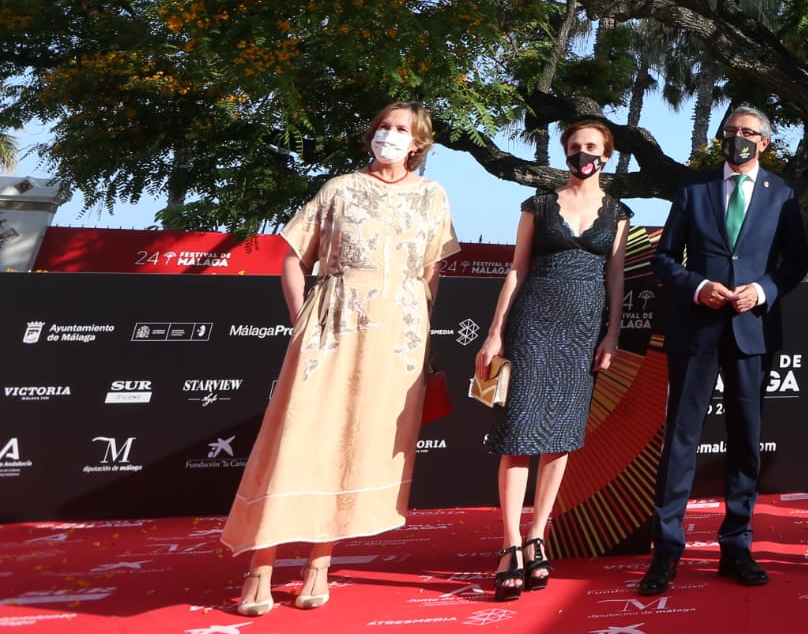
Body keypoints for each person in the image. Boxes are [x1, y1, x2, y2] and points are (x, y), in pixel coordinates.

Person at [221, 103, 460, 616]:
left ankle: (319, 564)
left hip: (397, 338)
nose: (389, 136)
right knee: (298, 438)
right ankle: (259, 566)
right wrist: (299, 320)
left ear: (418, 143)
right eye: (383, 127)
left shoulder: (432, 196)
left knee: (357, 444)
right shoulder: (339, 188)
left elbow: (430, 272)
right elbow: (292, 255)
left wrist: (419, 333)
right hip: (331, 325)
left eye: (401, 130)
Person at [640, 104, 808, 593]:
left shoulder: (784, 195)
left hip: (752, 329)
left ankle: (737, 544)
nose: (740, 138)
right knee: (681, 442)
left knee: (745, 441)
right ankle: (666, 550)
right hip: (696, 328)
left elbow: (795, 262)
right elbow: (664, 257)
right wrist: (697, 287)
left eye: (750, 132)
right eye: (732, 131)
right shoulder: (693, 189)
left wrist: (764, 291)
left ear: (766, 143)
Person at [475, 118, 632, 599]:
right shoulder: (538, 204)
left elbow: (615, 278)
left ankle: (538, 535)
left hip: (583, 332)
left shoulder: (619, 211)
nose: (583, 153)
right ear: (565, 152)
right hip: (532, 325)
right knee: (519, 434)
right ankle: (509, 544)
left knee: (560, 438)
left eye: (591, 146)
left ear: (606, 155)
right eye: (575, 146)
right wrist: (495, 333)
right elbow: (516, 269)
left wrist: (611, 334)